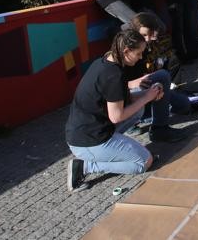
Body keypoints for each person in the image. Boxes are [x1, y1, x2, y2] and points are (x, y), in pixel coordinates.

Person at [65, 30, 184, 191]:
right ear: (126, 51)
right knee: (143, 162)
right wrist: (146, 98)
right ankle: (85, 166)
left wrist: (150, 94)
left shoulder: (107, 61)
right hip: (89, 141)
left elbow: (121, 98)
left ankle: (117, 148)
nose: (141, 57)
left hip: (86, 131)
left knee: (139, 111)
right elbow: (116, 116)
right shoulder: (113, 75)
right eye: (139, 53)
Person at [126, 12, 191, 118]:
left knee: (184, 104)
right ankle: (142, 119)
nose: (147, 39)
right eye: (144, 35)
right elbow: (118, 83)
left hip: (147, 83)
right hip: (132, 89)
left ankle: (157, 119)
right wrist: (135, 84)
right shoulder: (127, 48)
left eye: (150, 35)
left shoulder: (151, 44)